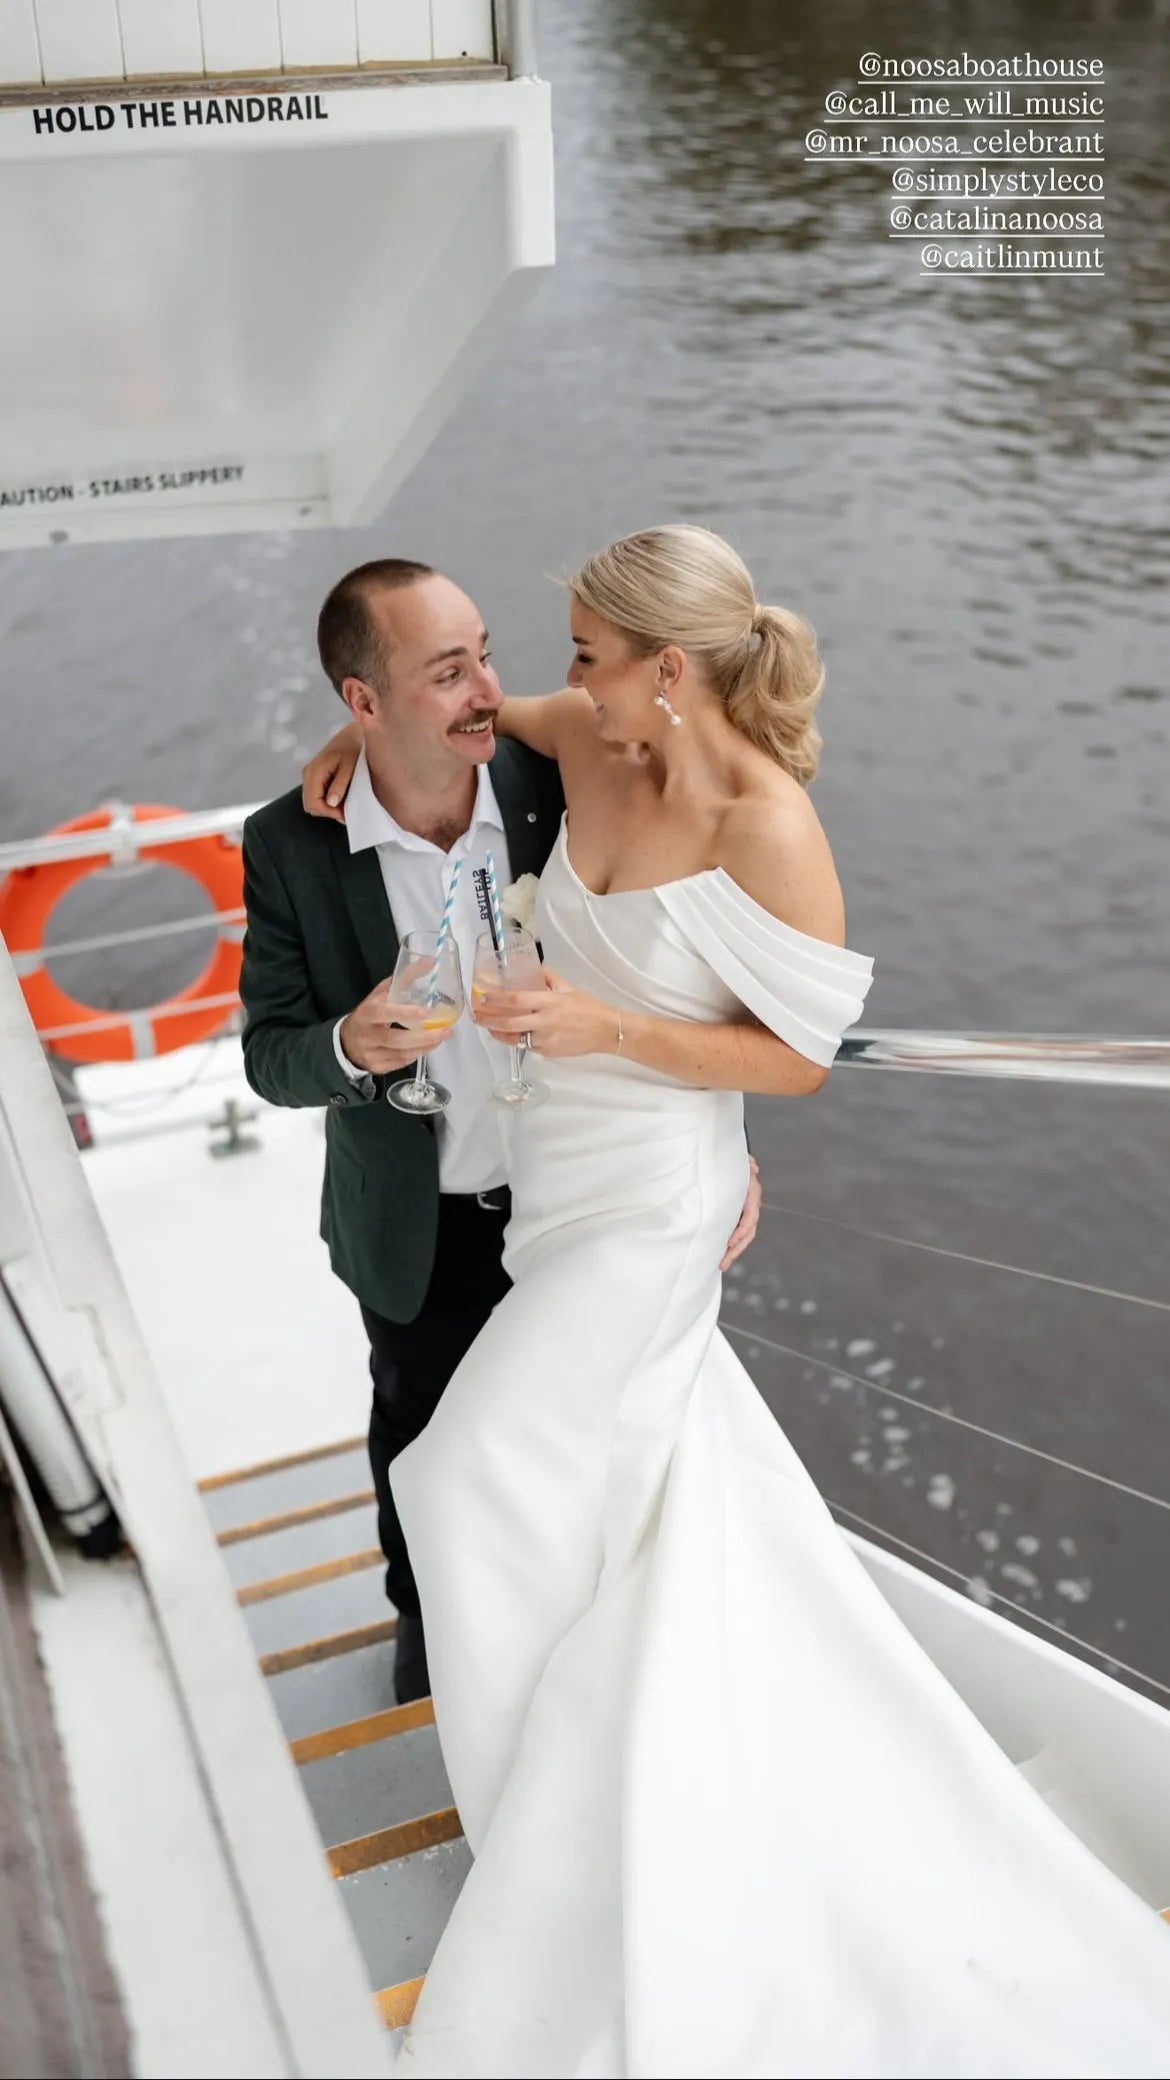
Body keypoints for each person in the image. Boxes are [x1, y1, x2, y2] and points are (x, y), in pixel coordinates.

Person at [298, 524, 1170, 2079]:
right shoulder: (585, 735)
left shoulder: (768, 826)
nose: (544, 685)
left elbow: (796, 1057)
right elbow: (451, 731)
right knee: (624, 1483)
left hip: (649, 1199)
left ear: (668, 671)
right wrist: (338, 743)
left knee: (469, 1466)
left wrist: (604, 1024)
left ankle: (540, 1820)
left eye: (577, 654)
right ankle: (652, 1736)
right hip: (554, 1190)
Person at [239, 556, 761, 1705]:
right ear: (362, 705)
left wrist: (726, 1145)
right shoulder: (288, 844)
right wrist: (349, 1047)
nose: (487, 686)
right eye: (447, 670)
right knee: (422, 1455)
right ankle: (430, 1645)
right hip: (414, 1229)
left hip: (577, 1206)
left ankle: (590, 1670)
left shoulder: (559, 775)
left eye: (485, 653)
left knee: (584, 1445)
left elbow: (672, 974)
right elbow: (268, 1053)